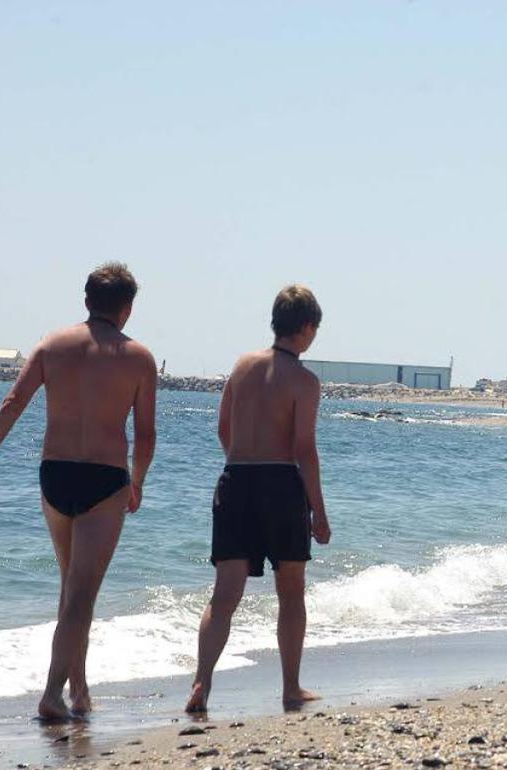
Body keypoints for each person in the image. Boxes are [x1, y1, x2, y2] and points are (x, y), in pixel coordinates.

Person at [0, 263, 157, 721]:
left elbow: (13, 403)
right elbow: (145, 434)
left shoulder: (52, 346)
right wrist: (139, 478)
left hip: (56, 476)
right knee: (81, 594)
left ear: (87, 300)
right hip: (104, 480)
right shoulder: (139, 358)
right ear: (127, 309)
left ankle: (80, 690)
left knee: (72, 588)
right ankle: (52, 693)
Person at [186, 285, 332, 713]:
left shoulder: (243, 366)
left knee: (224, 594)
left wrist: (244, 460)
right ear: (306, 327)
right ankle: (290, 687)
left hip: (235, 479)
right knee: (291, 591)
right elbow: (304, 449)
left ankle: (202, 682)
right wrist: (319, 514)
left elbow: (223, 428)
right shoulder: (304, 382)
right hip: (281, 485)